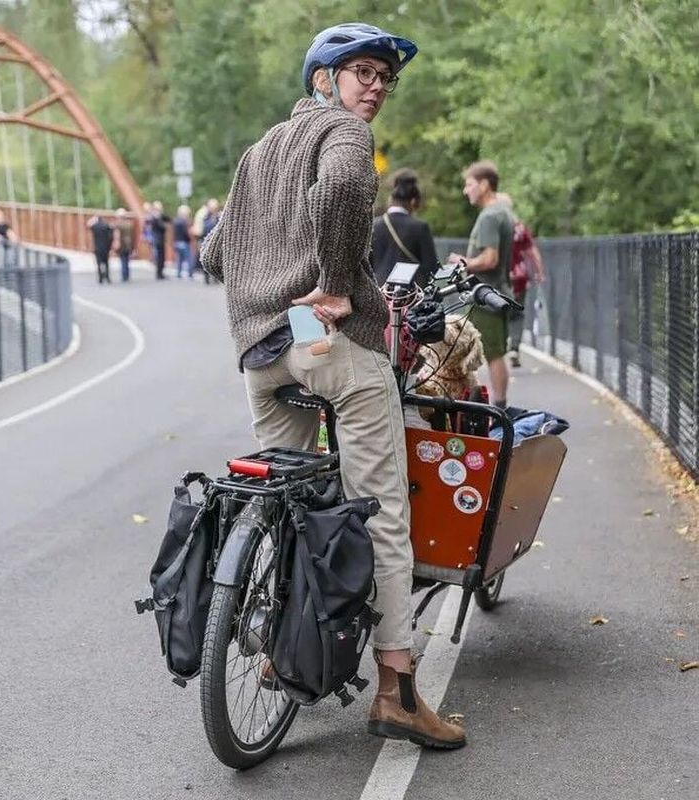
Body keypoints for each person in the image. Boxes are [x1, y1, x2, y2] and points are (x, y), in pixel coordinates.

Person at [201, 22, 465, 750]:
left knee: (296, 502)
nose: (375, 87)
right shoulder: (341, 132)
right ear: (324, 80)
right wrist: (336, 284)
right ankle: (397, 691)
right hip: (325, 343)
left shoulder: (258, 154)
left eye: (385, 77)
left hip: (261, 353)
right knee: (380, 507)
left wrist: (262, 277)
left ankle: (277, 655)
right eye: (362, 73)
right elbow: (347, 184)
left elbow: (213, 250)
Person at [449, 161, 515, 409]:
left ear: (485, 185)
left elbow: (490, 258)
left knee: (493, 354)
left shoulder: (490, 216)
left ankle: (497, 408)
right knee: (493, 352)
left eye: (469, 184)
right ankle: (495, 405)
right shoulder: (503, 211)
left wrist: (463, 261)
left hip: (486, 296)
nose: (466, 191)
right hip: (497, 292)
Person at [494, 192, 545, 367]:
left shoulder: (495, 225)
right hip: (520, 276)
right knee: (517, 314)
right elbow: (532, 251)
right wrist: (539, 272)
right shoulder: (519, 227)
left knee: (500, 312)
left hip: (500, 277)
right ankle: (514, 347)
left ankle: (500, 349)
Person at [370, 169, 437, 285]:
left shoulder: (374, 225)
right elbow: (431, 268)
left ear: (391, 199)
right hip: (409, 295)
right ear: (413, 201)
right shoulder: (420, 227)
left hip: (379, 292)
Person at [196, 198, 221, 284]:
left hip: (217, 242)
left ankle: (216, 277)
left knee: (217, 260)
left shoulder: (219, 216)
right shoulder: (206, 217)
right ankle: (206, 277)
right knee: (207, 259)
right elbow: (205, 228)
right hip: (206, 240)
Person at [88, 214, 114, 284]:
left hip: (97, 248)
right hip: (106, 247)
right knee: (106, 263)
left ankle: (100, 278)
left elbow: (88, 225)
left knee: (99, 263)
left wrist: (93, 219)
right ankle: (108, 277)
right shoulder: (106, 226)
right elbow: (111, 234)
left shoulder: (95, 227)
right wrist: (110, 245)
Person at [113, 208, 136, 282]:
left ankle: (124, 275)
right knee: (127, 260)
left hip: (122, 244)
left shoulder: (117, 224)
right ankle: (127, 274)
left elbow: (116, 235)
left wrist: (115, 244)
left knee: (123, 260)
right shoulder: (130, 224)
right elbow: (133, 235)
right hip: (128, 244)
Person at [172, 205, 193, 279]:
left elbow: (174, 233)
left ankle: (178, 273)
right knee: (189, 258)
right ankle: (190, 273)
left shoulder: (175, 221)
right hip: (184, 242)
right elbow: (186, 233)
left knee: (179, 259)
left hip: (177, 242)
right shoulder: (185, 222)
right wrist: (189, 239)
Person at [149, 201, 168, 279]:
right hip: (158, 240)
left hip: (159, 239)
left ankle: (160, 273)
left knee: (161, 257)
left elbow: (168, 219)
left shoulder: (157, 217)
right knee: (159, 258)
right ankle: (159, 273)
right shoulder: (155, 217)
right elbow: (161, 226)